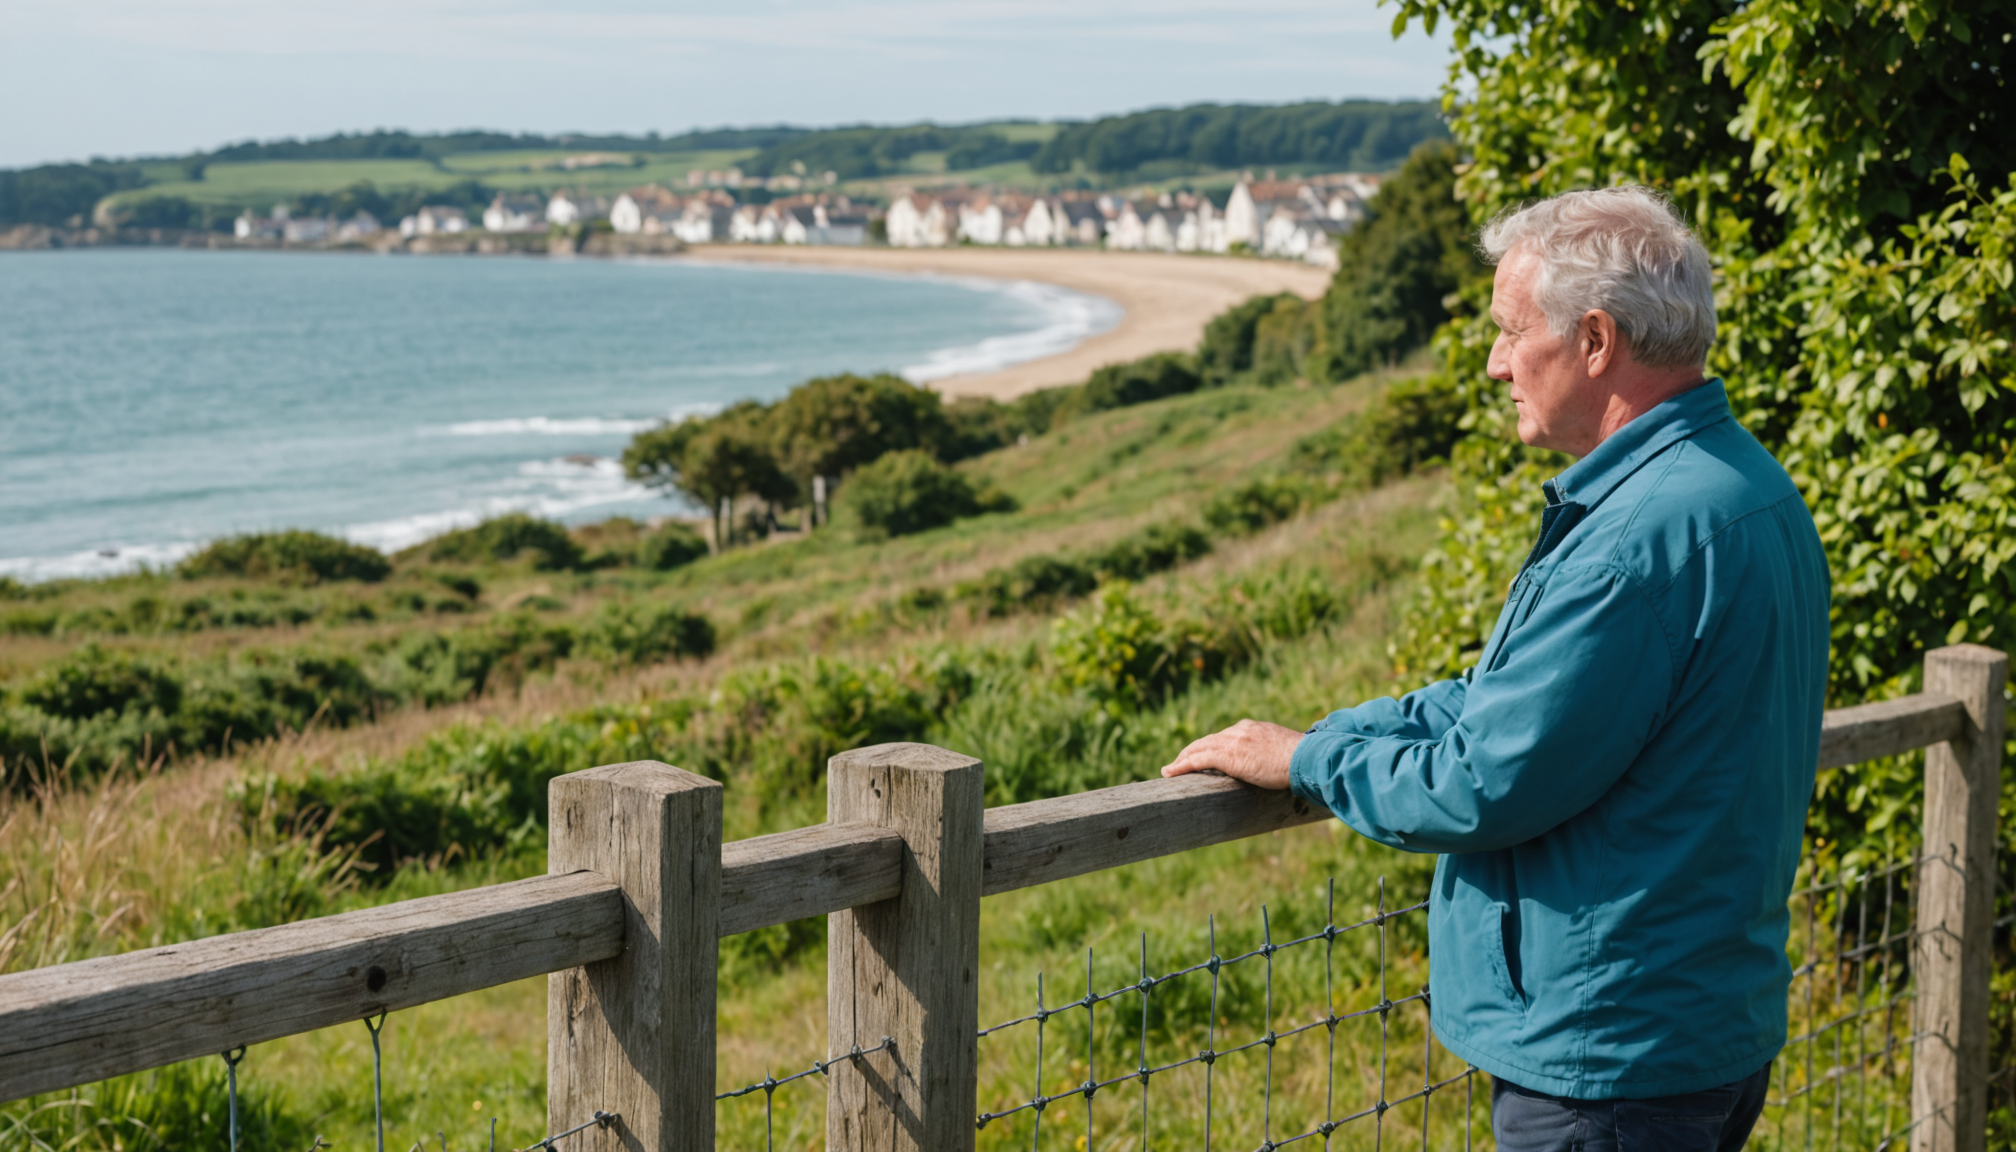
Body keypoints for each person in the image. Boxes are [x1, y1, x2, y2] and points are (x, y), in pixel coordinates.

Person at [1163, 186, 1830, 1152]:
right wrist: (1358, 728)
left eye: (1513, 332)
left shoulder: (1632, 542)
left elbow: (1482, 785)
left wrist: (1308, 760)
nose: (1494, 363)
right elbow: (1527, 705)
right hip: (1706, 1020)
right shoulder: (1748, 489)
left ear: (1596, 340)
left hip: (1609, 1059)